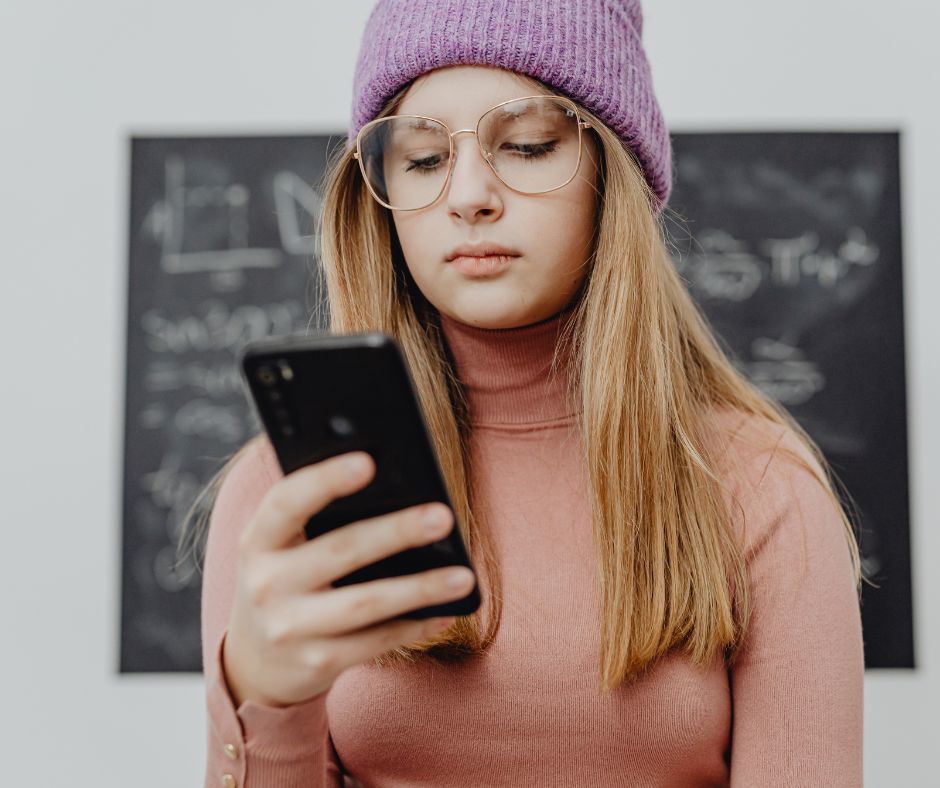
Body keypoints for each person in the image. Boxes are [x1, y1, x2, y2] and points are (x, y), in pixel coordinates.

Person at [186, 1, 865, 785]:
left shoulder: (762, 487)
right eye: (423, 159)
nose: (469, 194)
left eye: (529, 145)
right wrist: (265, 702)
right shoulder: (288, 493)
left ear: (611, 173)